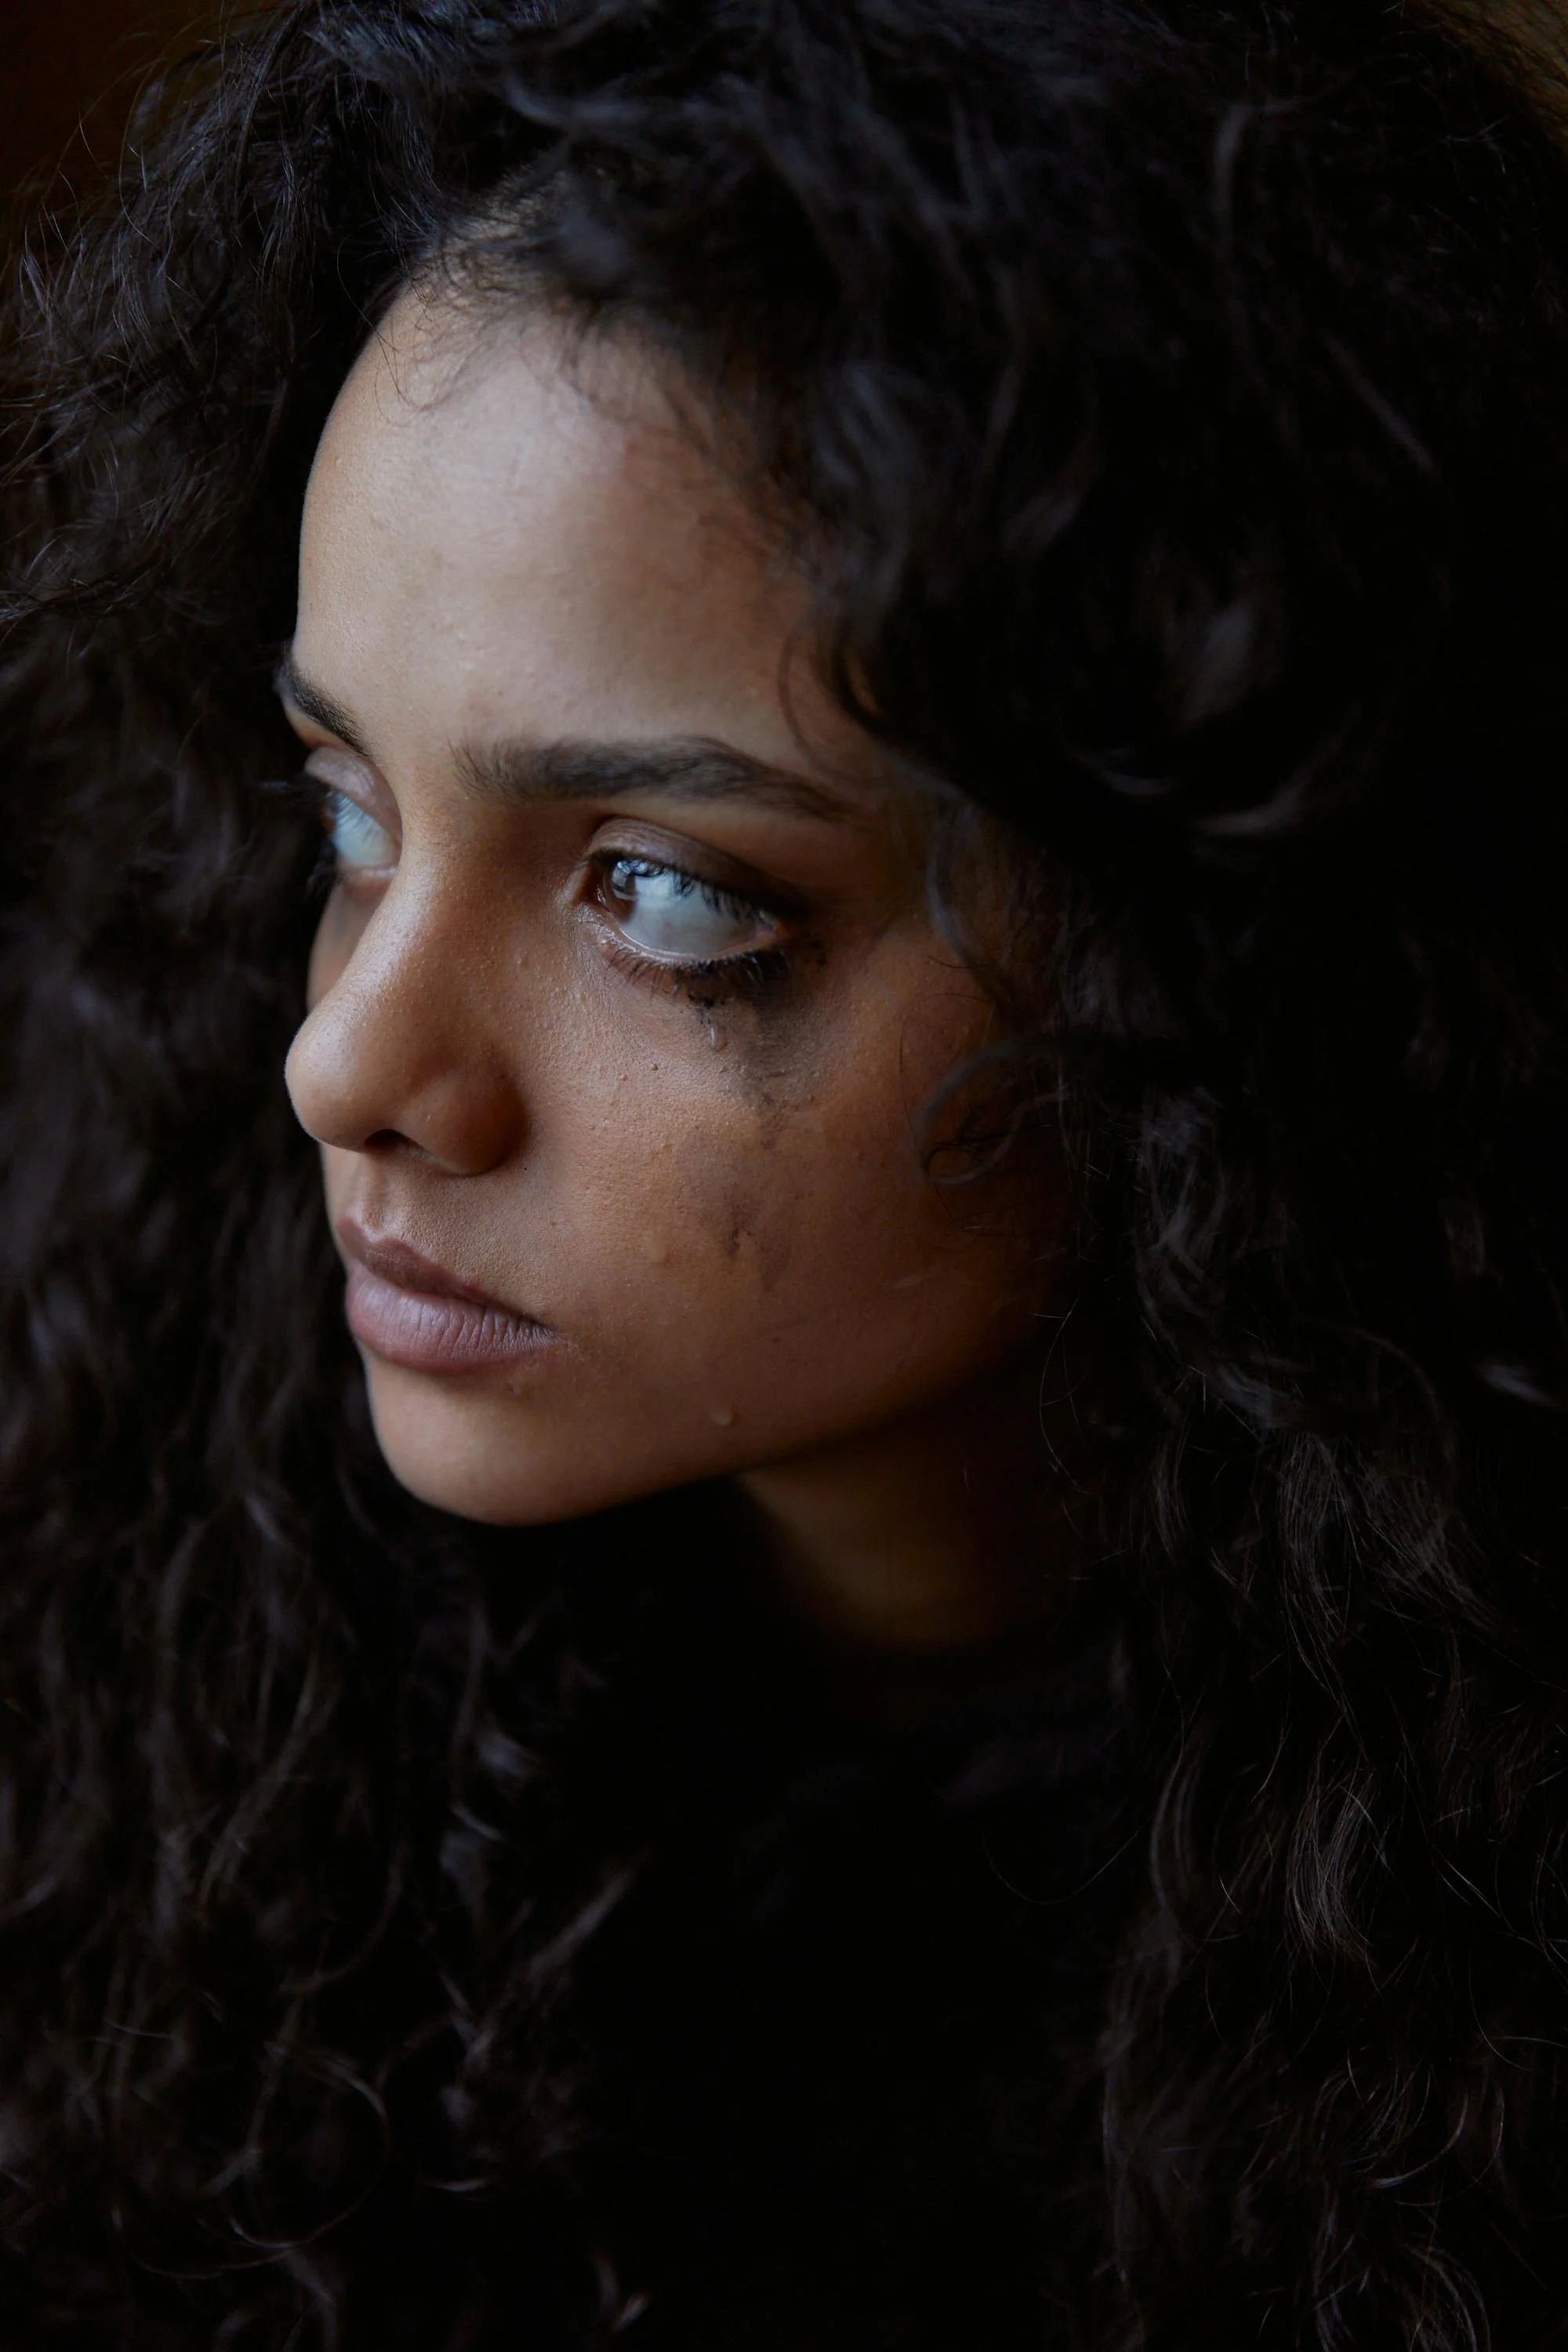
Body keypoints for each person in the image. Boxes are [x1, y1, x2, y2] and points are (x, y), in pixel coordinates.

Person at [2, 0, 1567, 2343]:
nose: (346, 1062)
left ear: (1224, 956)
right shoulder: (138, 1653)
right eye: (347, 812)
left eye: (660, 893)